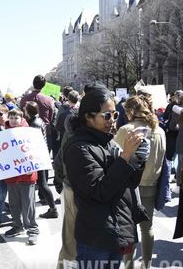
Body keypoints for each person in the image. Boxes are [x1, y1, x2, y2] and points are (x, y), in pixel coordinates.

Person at [64, 88, 150, 269]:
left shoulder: (108, 141)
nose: (113, 121)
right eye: (106, 116)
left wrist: (137, 160)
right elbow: (100, 191)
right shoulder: (79, 148)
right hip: (96, 237)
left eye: (115, 114)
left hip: (115, 230)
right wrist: (126, 155)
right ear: (88, 117)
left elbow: (129, 183)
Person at [115, 95, 166, 269]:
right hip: (152, 184)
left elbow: (114, 157)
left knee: (129, 229)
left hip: (129, 186)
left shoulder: (126, 129)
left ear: (130, 111)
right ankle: (146, 265)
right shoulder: (159, 130)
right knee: (147, 227)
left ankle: (128, 266)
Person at [3, 109, 39, 245]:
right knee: (14, 204)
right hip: (11, 176)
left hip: (27, 175)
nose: (13, 120)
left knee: (28, 205)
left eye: (16, 118)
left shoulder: (29, 133)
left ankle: (32, 230)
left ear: (21, 119)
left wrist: (33, 167)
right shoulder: (3, 134)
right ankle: (17, 226)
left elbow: (37, 151)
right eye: (11, 118)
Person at [24, 101, 58, 219]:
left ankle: (53, 209)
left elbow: (32, 142)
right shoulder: (38, 120)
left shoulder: (34, 124)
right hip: (41, 155)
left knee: (42, 184)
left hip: (37, 156)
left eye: (25, 109)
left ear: (27, 111)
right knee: (41, 183)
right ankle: (52, 208)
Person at [20, 75, 55, 161]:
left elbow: (21, 116)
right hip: (45, 133)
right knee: (44, 160)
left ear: (33, 84)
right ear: (44, 85)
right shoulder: (49, 100)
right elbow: (51, 117)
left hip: (27, 133)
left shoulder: (24, 99)